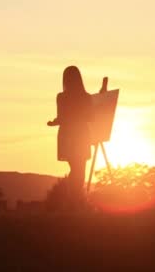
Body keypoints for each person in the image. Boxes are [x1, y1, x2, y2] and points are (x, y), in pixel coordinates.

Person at [47, 66, 106, 209]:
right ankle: (75, 199)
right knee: (80, 169)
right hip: (81, 134)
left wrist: (53, 122)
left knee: (75, 168)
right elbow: (91, 117)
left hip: (68, 135)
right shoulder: (86, 97)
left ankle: (74, 199)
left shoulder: (62, 97)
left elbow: (61, 118)